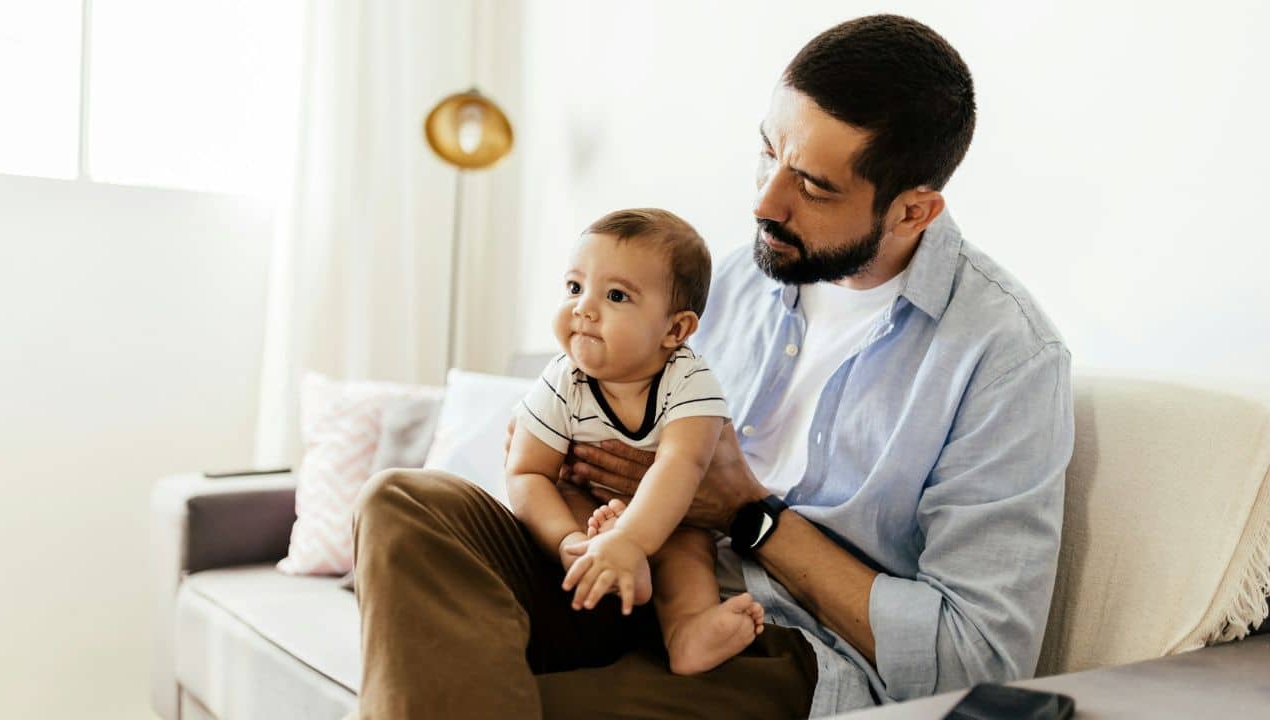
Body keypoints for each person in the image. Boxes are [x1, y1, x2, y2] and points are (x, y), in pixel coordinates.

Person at [351, 13, 1074, 719]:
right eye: (768, 152)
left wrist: (747, 514)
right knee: (402, 504)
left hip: (772, 642)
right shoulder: (732, 281)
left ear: (914, 212)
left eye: (814, 187)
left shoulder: (1004, 359)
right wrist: (572, 467)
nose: (766, 201)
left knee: (472, 698)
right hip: (625, 570)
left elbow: (978, 659)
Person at [507, 207, 768, 676]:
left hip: (669, 518)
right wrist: (566, 539)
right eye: (574, 287)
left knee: (689, 551)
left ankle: (687, 632)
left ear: (675, 330)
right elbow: (526, 470)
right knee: (560, 495)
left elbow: (681, 466)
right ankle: (590, 560)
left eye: (615, 295)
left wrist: (632, 540)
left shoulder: (689, 380)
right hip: (586, 508)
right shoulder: (563, 378)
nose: (584, 307)